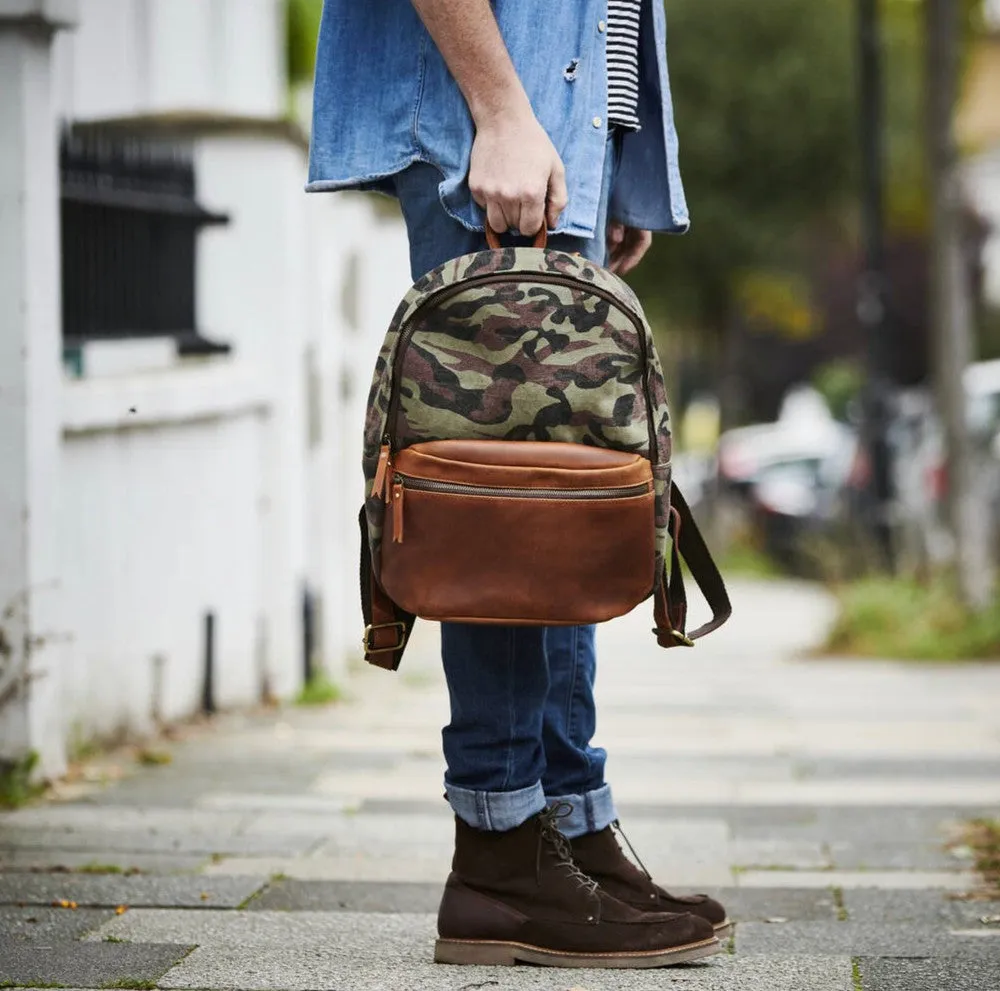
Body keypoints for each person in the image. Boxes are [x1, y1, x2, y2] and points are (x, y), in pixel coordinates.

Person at [308, 0, 729, 969]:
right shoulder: (496, 112)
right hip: (492, 104)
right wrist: (498, 106)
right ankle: (498, 841)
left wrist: (617, 155)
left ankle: (565, 819)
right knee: (500, 485)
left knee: (558, 484)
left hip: (555, 115)